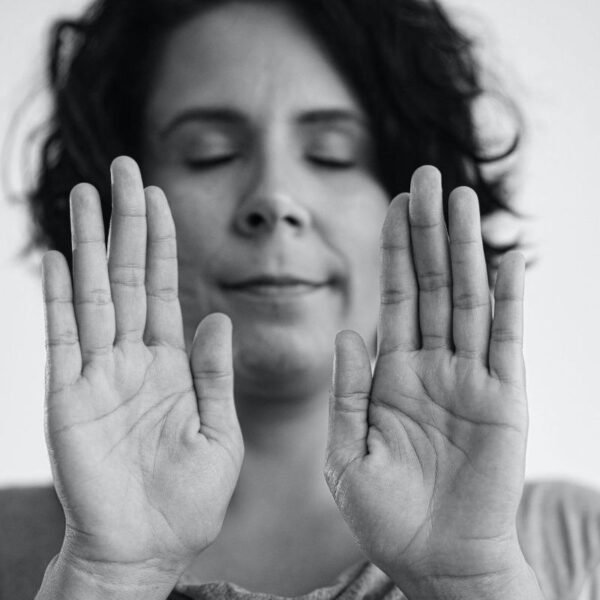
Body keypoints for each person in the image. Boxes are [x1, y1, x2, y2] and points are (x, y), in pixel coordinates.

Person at [2, 0, 600, 598]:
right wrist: (106, 577)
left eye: (332, 154)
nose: (276, 197)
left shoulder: (579, 545)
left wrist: (472, 581)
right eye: (211, 152)